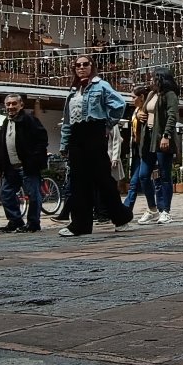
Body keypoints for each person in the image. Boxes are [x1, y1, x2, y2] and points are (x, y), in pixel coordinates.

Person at [58, 55, 133, 237]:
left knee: (103, 179)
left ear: (92, 66)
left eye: (85, 64)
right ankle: (80, 224)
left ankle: (121, 217)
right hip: (77, 136)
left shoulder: (101, 85)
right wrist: (64, 143)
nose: (81, 67)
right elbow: (68, 120)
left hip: (94, 133)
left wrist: (107, 125)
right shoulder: (73, 91)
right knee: (78, 181)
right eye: (78, 65)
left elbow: (119, 104)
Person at [0, 93, 49, 234]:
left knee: (33, 195)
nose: (11, 107)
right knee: (6, 194)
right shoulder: (6, 122)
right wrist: (1, 165)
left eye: (14, 103)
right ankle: (15, 221)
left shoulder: (29, 120)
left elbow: (42, 139)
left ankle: (33, 223)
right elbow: (3, 145)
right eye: (8, 104)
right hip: (11, 167)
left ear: (21, 105)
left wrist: (34, 159)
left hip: (27, 165)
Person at [146, 67, 181, 224]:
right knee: (150, 176)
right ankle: (156, 209)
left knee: (164, 175)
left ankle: (165, 210)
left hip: (162, 139)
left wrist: (166, 135)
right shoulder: (153, 94)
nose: (151, 80)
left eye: (153, 77)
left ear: (161, 78)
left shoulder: (170, 95)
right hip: (149, 139)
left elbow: (172, 116)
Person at [122, 85, 159, 221]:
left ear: (141, 97)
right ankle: (129, 208)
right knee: (135, 181)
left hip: (145, 149)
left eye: (133, 97)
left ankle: (130, 208)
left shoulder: (144, 111)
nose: (131, 100)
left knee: (139, 179)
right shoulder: (136, 111)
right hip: (136, 150)